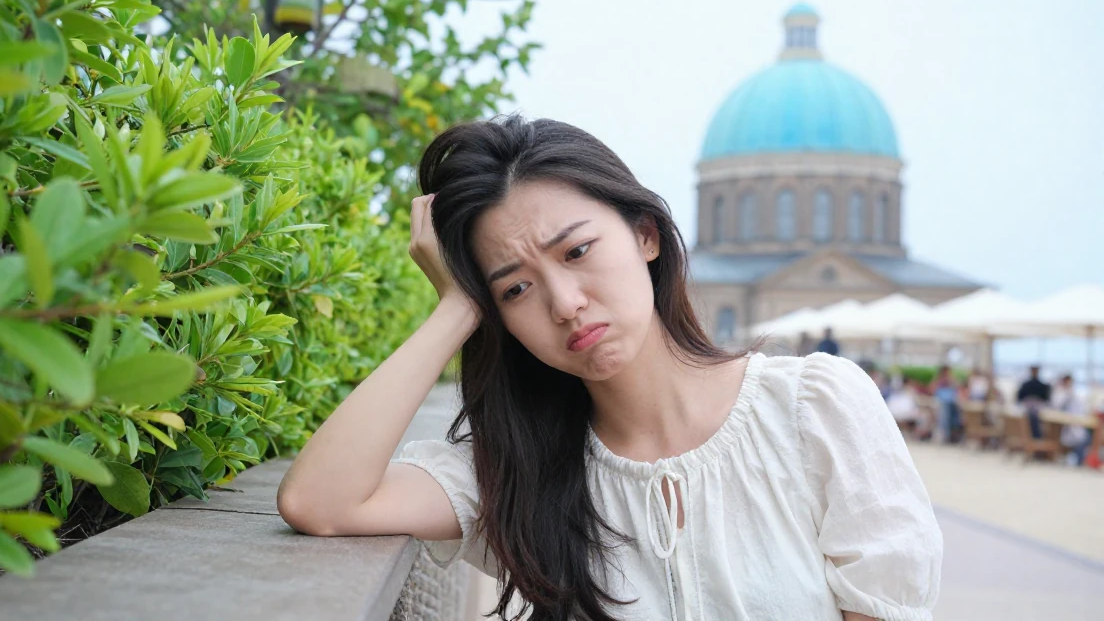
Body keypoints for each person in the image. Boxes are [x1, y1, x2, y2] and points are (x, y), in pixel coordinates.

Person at [276, 116, 941, 620]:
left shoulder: (811, 411)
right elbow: (320, 501)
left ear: (646, 235)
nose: (565, 304)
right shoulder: (519, 470)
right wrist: (456, 308)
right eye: (514, 289)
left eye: (578, 250)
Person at [1054, 374, 1091, 465]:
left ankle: (1080, 461)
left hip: (1075, 423)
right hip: (1068, 425)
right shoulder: (1062, 393)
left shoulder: (1073, 394)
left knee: (1083, 438)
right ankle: (1079, 461)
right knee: (1082, 438)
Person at [1016, 365, 1051, 440]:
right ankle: (1036, 440)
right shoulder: (1041, 386)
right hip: (1031, 411)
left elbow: (1019, 398)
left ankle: (1037, 440)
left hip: (1036, 411)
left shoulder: (1027, 385)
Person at [930, 366, 962, 444]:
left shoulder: (952, 381)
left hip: (952, 403)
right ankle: (946, 436)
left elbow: (958, 390)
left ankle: (953, 436)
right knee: (944, 415)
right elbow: (932, 389)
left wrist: (951, 381)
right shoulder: (938, 381)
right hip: (942, 403)